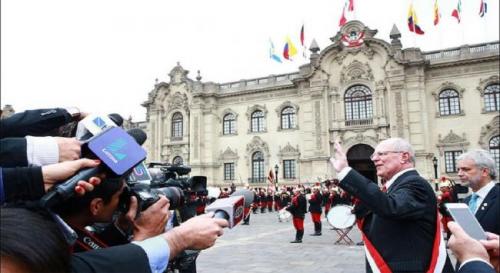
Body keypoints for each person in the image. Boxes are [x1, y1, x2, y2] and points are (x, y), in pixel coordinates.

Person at [330, 138, 454, 273]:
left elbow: (391, 207)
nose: (374, 159)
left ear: (404, 157)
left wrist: (345, 172)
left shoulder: (415, 184)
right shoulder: (393, 186)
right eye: (374, 155)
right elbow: (378, 211)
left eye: (381, 154)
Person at [457, 149, 499, 235]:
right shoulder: (466, 201)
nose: (459, 174)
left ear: (484, 172)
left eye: (466, 169)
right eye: (458, 169)